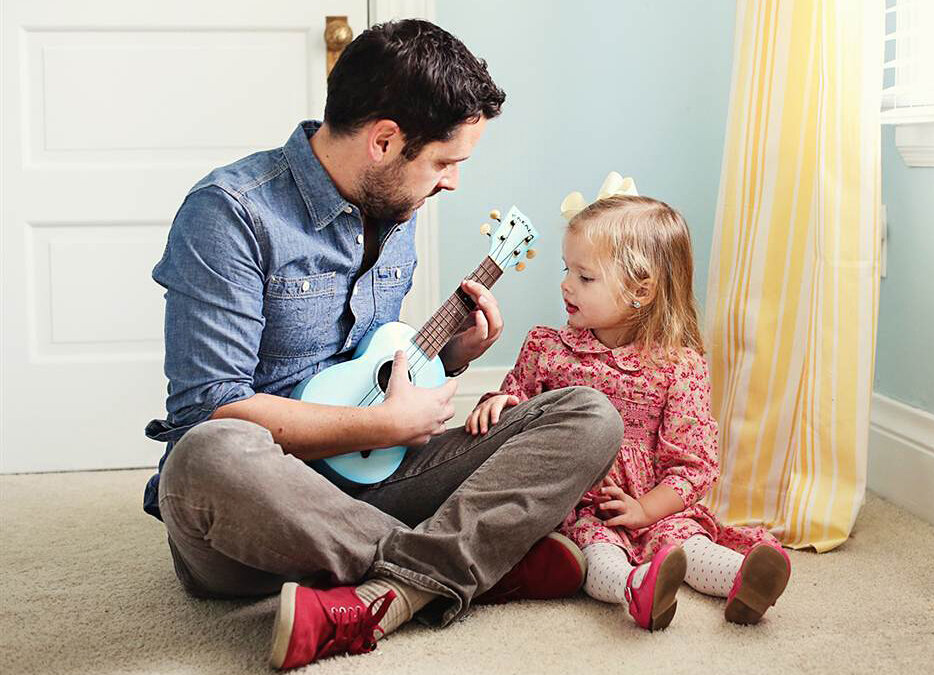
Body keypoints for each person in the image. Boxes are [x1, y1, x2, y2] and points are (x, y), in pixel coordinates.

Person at [144, 20, 622, 670]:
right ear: (385, 141)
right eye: (446, 161)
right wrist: (381, 421)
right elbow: (210, 409)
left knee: (589, 413)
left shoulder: (396, 207)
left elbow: (369, 361)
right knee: (205, 454)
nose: (452, 182)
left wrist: (452, 355)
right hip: (255, 509)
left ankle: (398, 588)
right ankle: (474, 564)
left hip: (376, 479)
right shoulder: (230, 214)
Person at [467, 176, 792, 631]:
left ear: (641, 290)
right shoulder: (547, 348)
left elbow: (694, 464)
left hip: (654, 502)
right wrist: (498, 401)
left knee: (685, 542)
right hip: (581, 502)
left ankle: (744, 581)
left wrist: (646, 510)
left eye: (584, 277)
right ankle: (634, 588)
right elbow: (518, 400)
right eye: (565, 270)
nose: (565, 286)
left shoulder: (678, 366)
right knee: (597, 550)